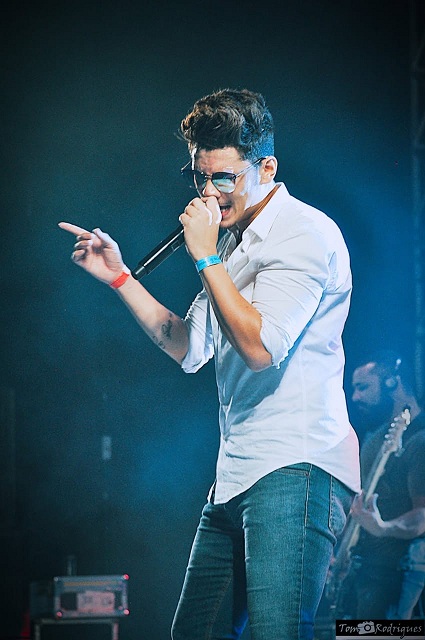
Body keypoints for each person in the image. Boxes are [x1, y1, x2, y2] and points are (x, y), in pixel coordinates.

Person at [59, 88, 360, 640]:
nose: (209, 193)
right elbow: (188, 347)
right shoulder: (233, 245)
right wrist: (120, 278)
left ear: (267, 168)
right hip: (235, 474)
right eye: (200, 177)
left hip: (296, 466)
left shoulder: (305, 233)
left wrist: (205, 255)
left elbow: (261, 349)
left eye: (224, 178)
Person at [348, 350, 425, 619]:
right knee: (352, 635)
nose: (355, 397)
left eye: (363, 387)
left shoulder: (419, 440)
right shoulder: (373, 440)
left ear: (393, 383)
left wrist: (383, 528)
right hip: (365, 574)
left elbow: (423, 515)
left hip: (400, 577)